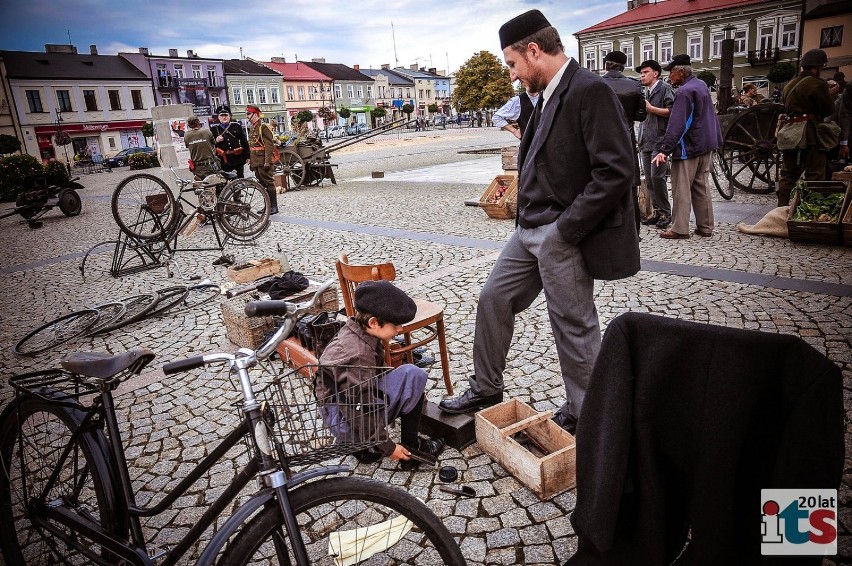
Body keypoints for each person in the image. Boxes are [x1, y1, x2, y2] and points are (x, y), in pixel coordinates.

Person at [438, 9, 640, 434]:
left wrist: (565, 231)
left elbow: (617, 170)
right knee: (494, 298)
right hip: (528, 230)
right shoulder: (544, 94)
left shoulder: (590, 90)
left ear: (534, 50)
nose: (512, 75)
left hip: (559, 232)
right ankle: (486, 387)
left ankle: (588, 412)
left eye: (512, 64)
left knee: (572, 322)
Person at [317, 280, 445, 469]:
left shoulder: (355, 329)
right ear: (374, 322)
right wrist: (389, 447)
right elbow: (359, 410)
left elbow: (375, 372)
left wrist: (408, 391)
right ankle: (411, 453)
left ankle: (361, 448)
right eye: (396, 325)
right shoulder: (359, 355)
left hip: (337, 411)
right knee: (414, 375)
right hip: (344, 421)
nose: (400, 329)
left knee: (407, 381)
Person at [652, 54, 724, 239]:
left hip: (688, 147)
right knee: (701, 187)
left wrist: (664, 150)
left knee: (681, 189)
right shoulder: (700, 85)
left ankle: (679, 229)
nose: (669, 77)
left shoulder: (684, 92)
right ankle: (705, 227)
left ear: (681, 72)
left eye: (671, 73)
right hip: (705, 145)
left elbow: (678, 124)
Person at [775, 49, 835, 207]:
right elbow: (828, 110)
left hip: (789, 132)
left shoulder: (789, 85)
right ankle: (810, 211)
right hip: (809, 134)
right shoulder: (818, 84)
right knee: (815, 174)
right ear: (817, 67)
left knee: (787, 174)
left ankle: (780, 210)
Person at [601, 50, 647, 234]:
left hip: (601, 140)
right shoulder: (635, 85)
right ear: (623, 66)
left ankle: (606, 229)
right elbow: (641, 115)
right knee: (630, 188)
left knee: (602, 184)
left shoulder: (596, 84)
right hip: (626, 139)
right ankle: (634, 229)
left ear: (606, 65)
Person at [636, 59, 675, 229]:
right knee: (650, 180)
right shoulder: (644, 91)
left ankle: (666, 212)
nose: (642, 75)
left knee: (658, 178)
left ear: (656, 73)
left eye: (645, 72)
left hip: (659, 141)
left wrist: (652, 109)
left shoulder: (665, 89)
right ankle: (657, 212)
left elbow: (673, 112)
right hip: (646, 140)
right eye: (641, 73)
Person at [247, 104, 279, 215]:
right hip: (256, 161)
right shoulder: (252, 127)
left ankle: (274, 206)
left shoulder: (263, 127)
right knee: (262, 184)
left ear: (255, 114)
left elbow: (269, 146)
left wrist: (267, 161)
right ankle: (267, 206)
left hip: (264, 161)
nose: (247, 116)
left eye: (249, 114)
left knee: (269, 183)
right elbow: (252, 146)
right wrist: (251, 161)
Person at [211, 105, 249, 178]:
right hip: (223, 160)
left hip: (237, 159)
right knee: (225, 182)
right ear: (218, 117)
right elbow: (210, 145)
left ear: (230, 116)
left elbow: (244, 142)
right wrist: (216, 141)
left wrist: (247, 156)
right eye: (222, 115)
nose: (224, 117)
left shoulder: (236, 126)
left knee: (239, 180)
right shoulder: (214, 129)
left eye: (226, 115)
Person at [183, 115, 219, 180]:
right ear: (198, 122)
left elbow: (187, 146)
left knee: (201, 186)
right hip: (209, 165)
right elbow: (214, 143)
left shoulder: (186, 135)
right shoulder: (207, 132)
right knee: (213, 184)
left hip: (197, 168)